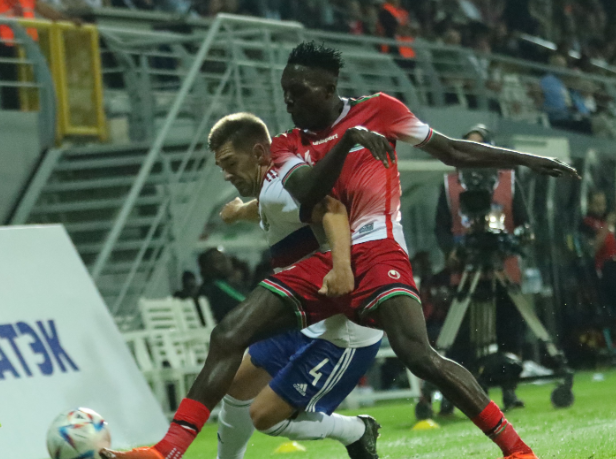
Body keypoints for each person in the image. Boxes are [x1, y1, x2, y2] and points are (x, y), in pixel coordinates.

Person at [101, 41, 578, 459]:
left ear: (328, 88)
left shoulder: (382, 110)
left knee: (419, 355)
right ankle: (167, 451)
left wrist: (529, 161)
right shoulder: (287, 145)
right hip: (320, 263)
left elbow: (452, 151)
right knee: (228, 333)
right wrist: (346, 141)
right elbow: (311, 193)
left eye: (299, 93)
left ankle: (515, 449)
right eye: (285, 94)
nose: (289, 103)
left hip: (380, 252)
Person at [211, 113, 384, 458]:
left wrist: (341, 267)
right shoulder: (275, 183)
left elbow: (332, 210)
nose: (226, 174)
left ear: (260, 153)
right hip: (301, 313)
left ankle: (355, 429)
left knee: (265, 417)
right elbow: (267, 208)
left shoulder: (285, 186)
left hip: (338, 324)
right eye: (221, 167)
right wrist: (238, 212)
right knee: (237, 383)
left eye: (230, 163)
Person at [434, 124, 529, 412]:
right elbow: (440, 226)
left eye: (479, 146)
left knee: (508, 332)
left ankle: (509, 392)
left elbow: (524, 220)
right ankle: (464, 394)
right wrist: (451, 250)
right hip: (465, 269)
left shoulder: (509, 180)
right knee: (462, 338)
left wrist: (519, 237)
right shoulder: (449, 183)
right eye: (468, 147)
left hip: (503, 269)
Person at [581, 190, 616, 317]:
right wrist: (607, 225)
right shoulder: (587, 223)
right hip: (603, 270)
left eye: (603, 204)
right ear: (589, 205)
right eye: (597, 204)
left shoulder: (605, 222)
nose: (601, 208)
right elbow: (592, 248)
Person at [197, 248, 244, 323]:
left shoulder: (227, 285)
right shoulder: (212, 289)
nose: (227, 263)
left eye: (226, 259)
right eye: (220, 261)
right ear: (207, 267)